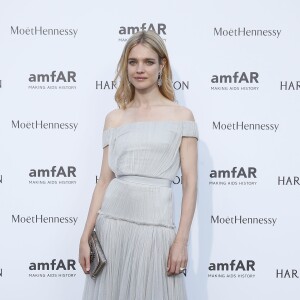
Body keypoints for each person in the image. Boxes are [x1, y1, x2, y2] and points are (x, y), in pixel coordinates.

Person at [79, 30, 198, 300]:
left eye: (148, 62)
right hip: (111, 227)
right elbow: (104, 181)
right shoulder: (115, 118)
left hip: (156, 227)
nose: (140, 69)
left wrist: (181, 240)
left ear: (162, 66)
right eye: (133, 62)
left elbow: (190, 184)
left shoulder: (182, 116)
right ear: (125, 66)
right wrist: (86, 236)